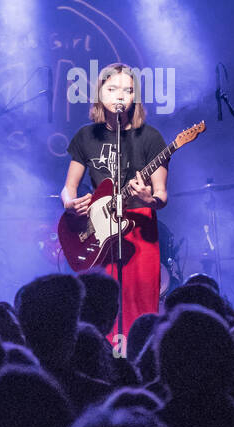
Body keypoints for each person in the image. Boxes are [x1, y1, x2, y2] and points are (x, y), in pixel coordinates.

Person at [60, 63, 168, 341]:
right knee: (101, 305)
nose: (120, 95)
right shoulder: (86, 136)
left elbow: (161, 194)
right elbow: (68, 189)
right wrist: (71, 205)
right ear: (100, 93)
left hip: (140, 227)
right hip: (100, 228)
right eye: (113, 89)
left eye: (128, 90)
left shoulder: (151, 137)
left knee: (140, 308)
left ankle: (138, 363)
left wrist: (149, 199)